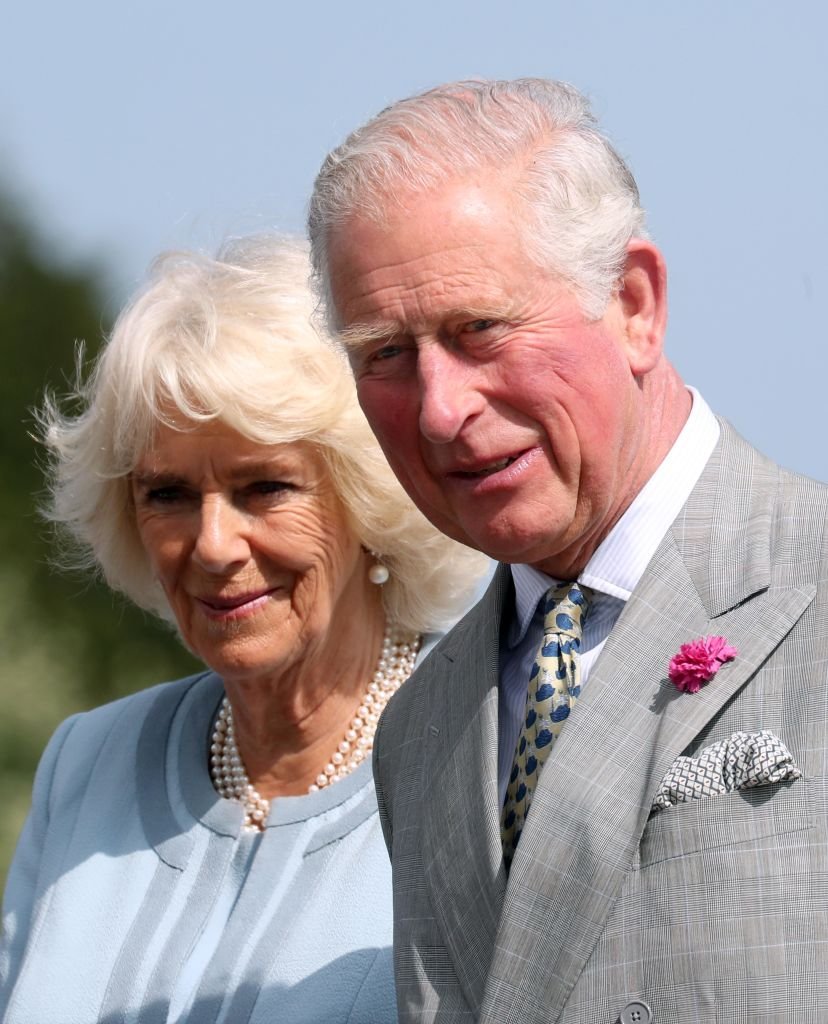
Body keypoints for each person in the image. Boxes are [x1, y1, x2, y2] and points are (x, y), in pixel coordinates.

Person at [308, 79, 828, 1023]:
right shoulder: (420, 730)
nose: (439, 408)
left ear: (633, 304)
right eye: (385, 353)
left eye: (481, 330)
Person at [0, 234, 488, 1024]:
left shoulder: (487, 764)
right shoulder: (84, 767)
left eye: (264, 486)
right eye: (168, 494)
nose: (214, 544)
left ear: (369, 498)